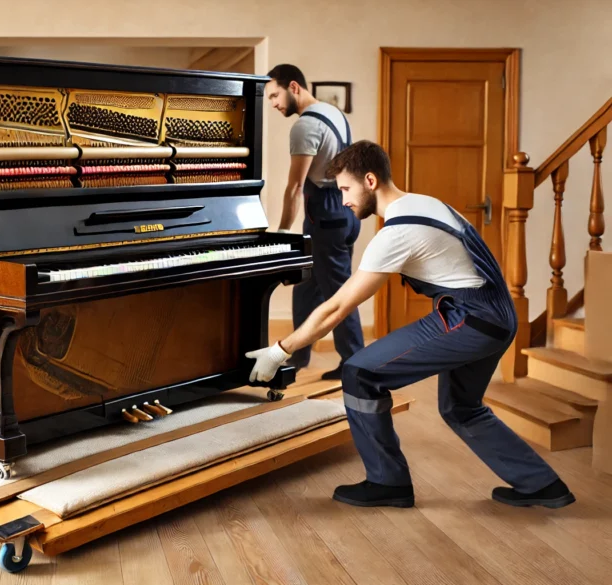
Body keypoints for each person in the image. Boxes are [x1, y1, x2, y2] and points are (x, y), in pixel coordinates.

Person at [246, 140, 575, 510]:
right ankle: (543, 485)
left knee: (359, 373)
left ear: (370, 180)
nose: (343, 201)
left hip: (472, 320)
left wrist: (281, 350)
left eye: (345, 189)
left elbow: (336, 308)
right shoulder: (428, 203)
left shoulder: (397, 233)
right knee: (461, 408)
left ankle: (388, 483)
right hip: (497, 315)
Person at [266, 64, 364, 379]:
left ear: (293, 86)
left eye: (275, 95)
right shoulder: (333, 113)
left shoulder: (304, 126)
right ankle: (298, 357)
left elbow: (295, 187)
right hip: (346, 209)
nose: (274, 104)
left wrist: (281, 234)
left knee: (339, 294)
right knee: (306, 287)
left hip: (325, 214)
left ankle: (355, 364)